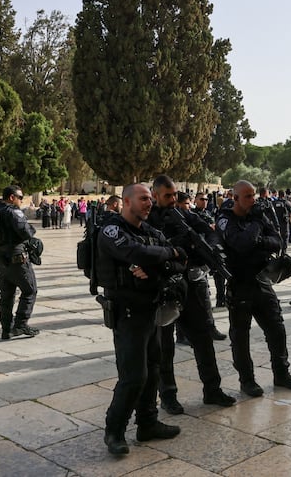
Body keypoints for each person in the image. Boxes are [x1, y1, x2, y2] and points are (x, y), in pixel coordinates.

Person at [95, 184, 185, 455]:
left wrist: (159, 265)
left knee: (153, 370)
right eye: (143, 199)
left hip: (150, 310)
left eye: (150, 199)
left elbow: (181, 261)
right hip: (127, 313)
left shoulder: (150, 231)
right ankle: (114, 431)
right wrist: (167, 255)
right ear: (126, 201)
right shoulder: (112, 231)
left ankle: (147, 423)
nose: (149, 203)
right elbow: (136, 253)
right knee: (134, 376)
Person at [148, 176, 234, 415]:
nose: (173, 199)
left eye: (175, 194)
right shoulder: (149, 218)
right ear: (155, 195)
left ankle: (212, 389)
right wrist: (177, 245)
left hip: (192, 285)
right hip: (165, 288)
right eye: (167, 195)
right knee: (165, 345)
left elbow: (210, 231)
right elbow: (149, 248)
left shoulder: (183, 215)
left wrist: (212, 246)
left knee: (204, 337)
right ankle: (168, 395)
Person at [221, 180, 291, 397]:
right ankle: (247, 380)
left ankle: (281, 373)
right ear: (235, 198)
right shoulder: (225, 218)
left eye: (254, 196)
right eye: (247, 197)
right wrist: (257, 226)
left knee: (276, 329)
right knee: (241, 336)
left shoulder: (258, 216)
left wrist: (257, 238)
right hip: (240, 283)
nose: (253, 200)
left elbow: (277, 241)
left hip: (262, 280)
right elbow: (241, 243)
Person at [0, 186, 40, 340]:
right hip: (17, 258)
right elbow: (26, 231)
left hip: (0, 259)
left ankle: (6, 329)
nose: (21, 200)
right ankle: (20, 324)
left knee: (7, 295)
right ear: (12, 197)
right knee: (30, 290)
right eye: (20, 197)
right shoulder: (12, 211)